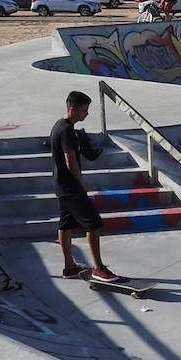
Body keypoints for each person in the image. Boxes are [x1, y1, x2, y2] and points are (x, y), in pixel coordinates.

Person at [51, 91, 119, 282]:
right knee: (93, 223)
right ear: (72, 109)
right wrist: (82, 183)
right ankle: (98, 268)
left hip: (60, 184)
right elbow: (70, 161)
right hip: (71, 186)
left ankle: (69, 267)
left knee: (65, 224)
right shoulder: (67, 131)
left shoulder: (58, 125)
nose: (86, 114)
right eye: (84, 110)